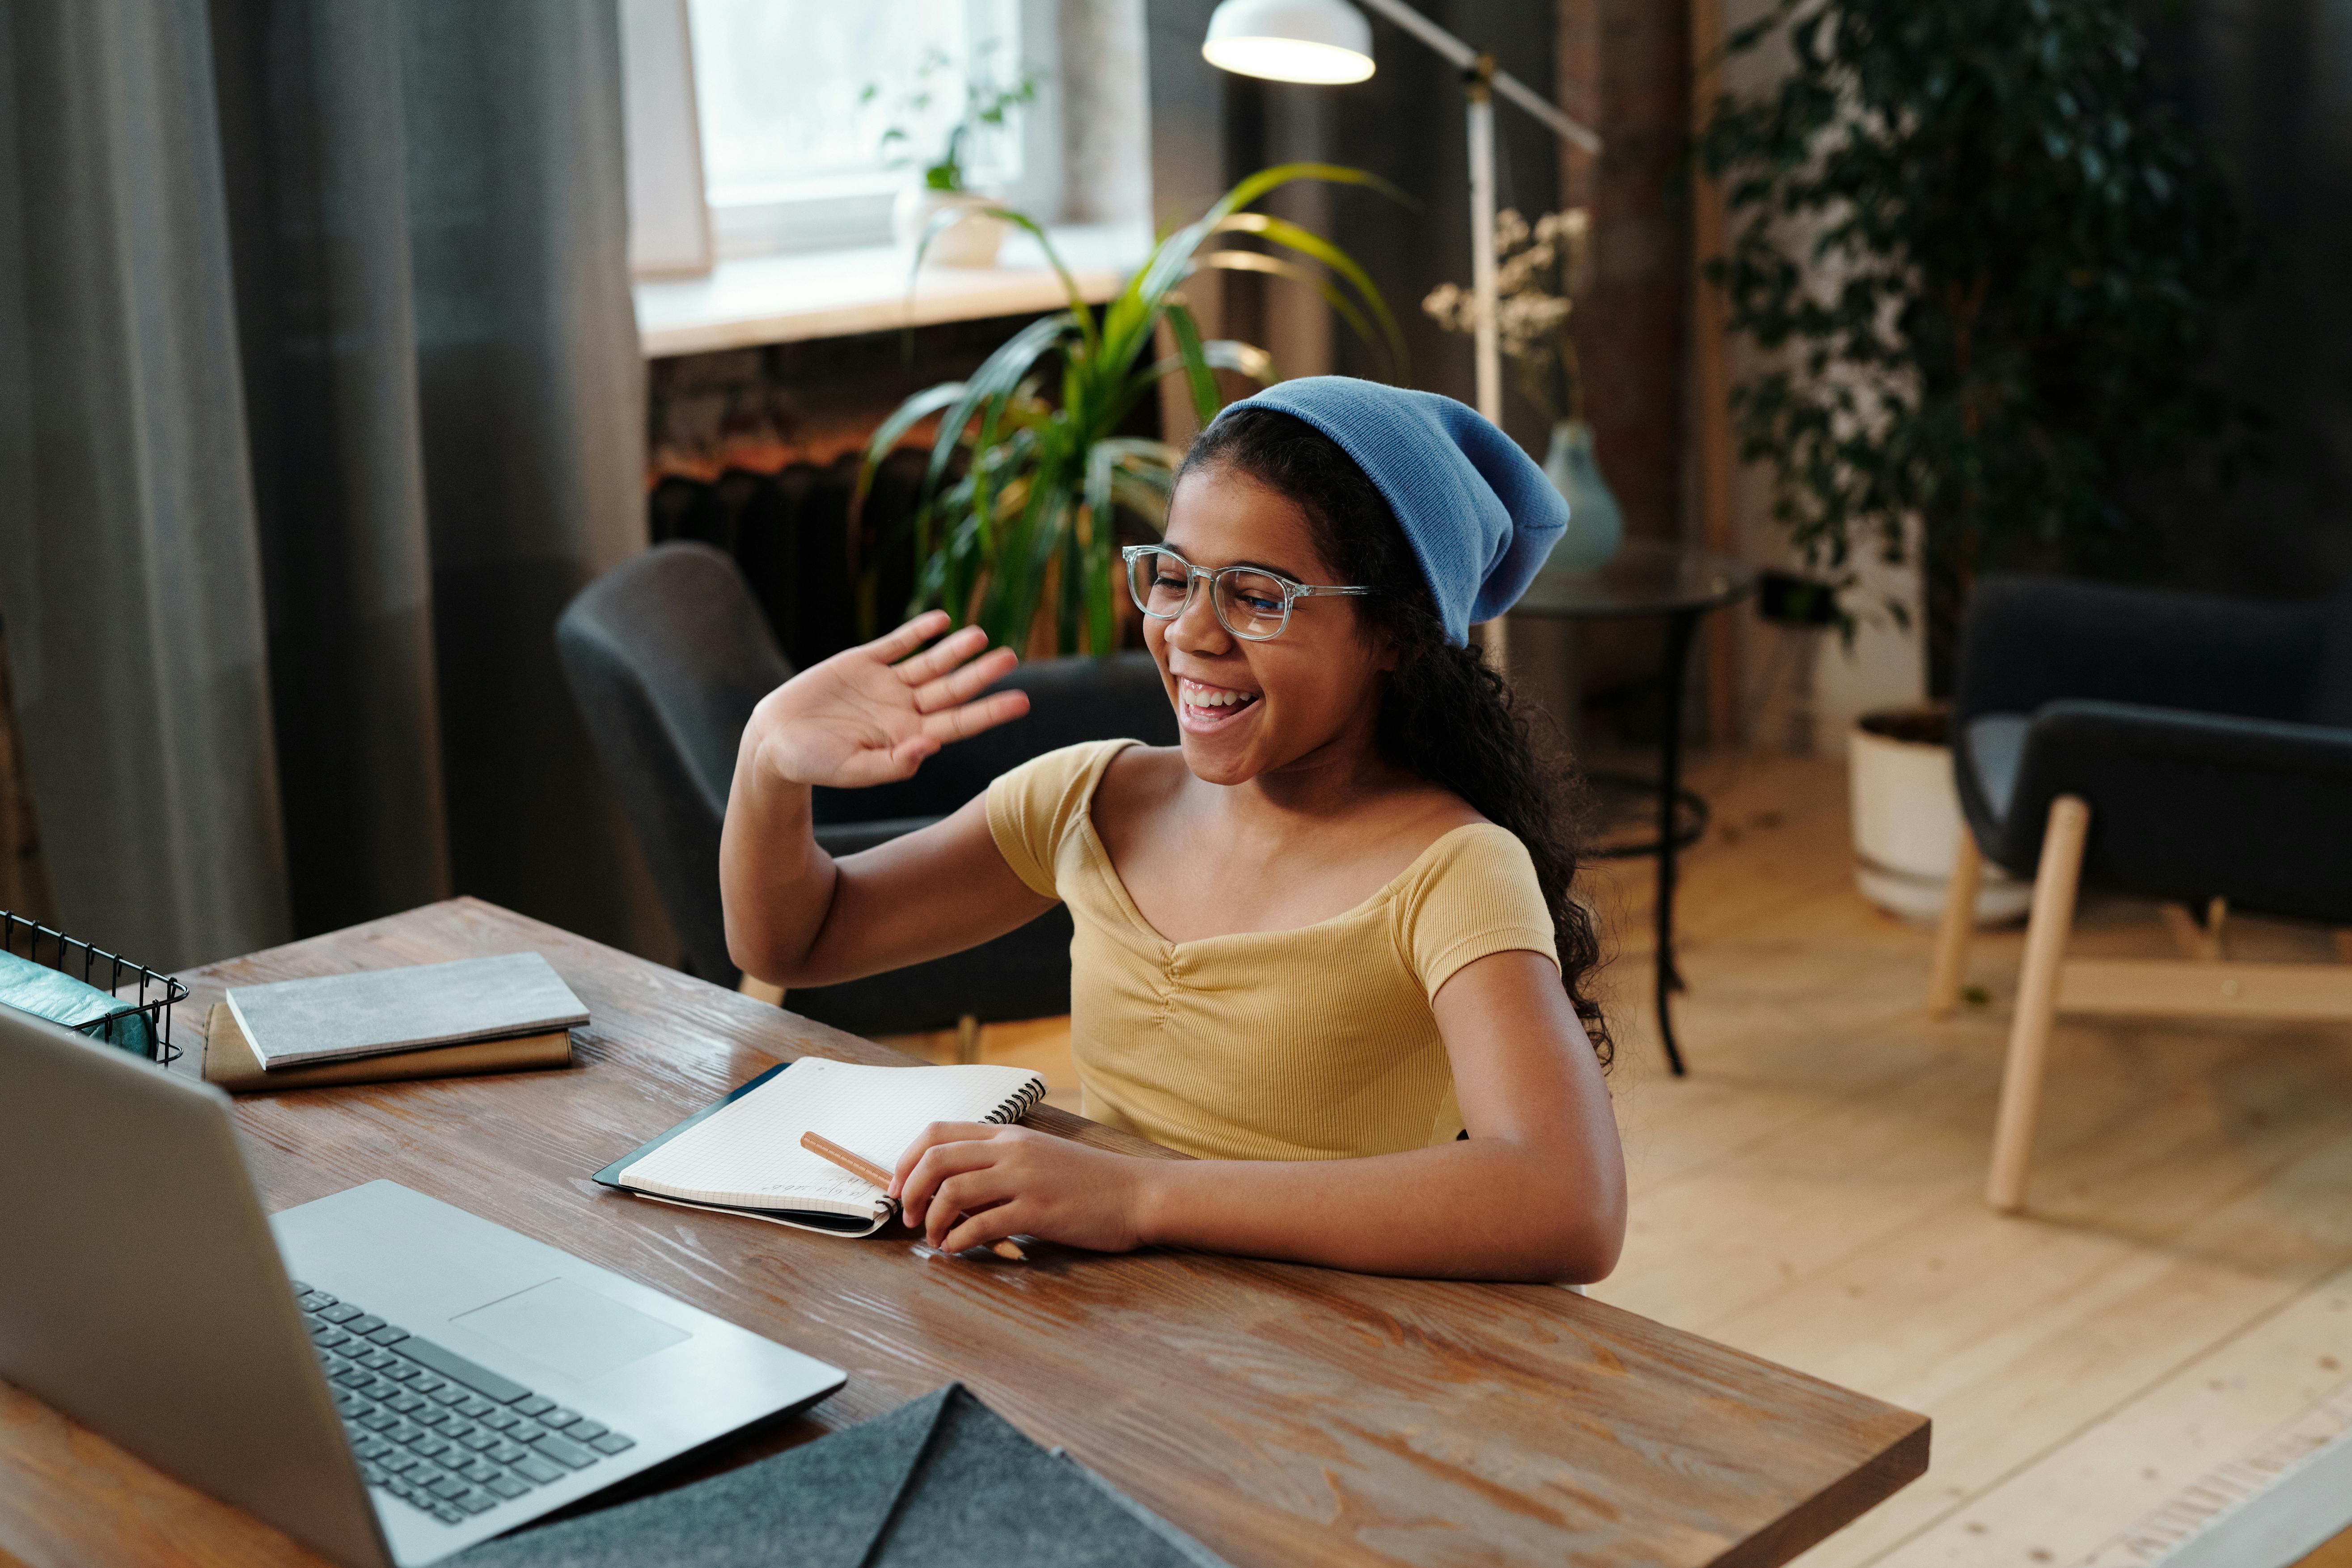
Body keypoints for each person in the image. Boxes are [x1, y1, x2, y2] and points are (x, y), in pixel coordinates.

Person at [720, 377, 1625, 1284]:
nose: (1191, 631)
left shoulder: (1453, 869)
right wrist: (767, 757)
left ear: (1394, 632)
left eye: (1256, 595)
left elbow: (1564, 1199)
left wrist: (1136, 1195)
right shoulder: (1088, 801)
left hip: (1318, 1357)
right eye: (1173, 577)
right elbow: (800, 936)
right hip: (1099, 1328)